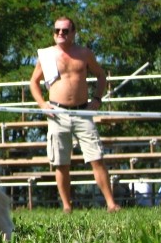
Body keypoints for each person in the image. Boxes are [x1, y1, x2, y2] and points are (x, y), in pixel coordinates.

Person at [29, 16, 121, 213]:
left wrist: (96, 99)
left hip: (82, 111)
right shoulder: (46, 55)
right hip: (57, 113)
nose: (60, 34)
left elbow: (101, 75)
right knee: (61, 162)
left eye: (65, 30)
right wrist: (42, 104)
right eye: (57, 30)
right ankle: (66, 206)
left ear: (73, 33)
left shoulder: (84, 54)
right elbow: (33, 82)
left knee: (96, 157)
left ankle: (111, 204)